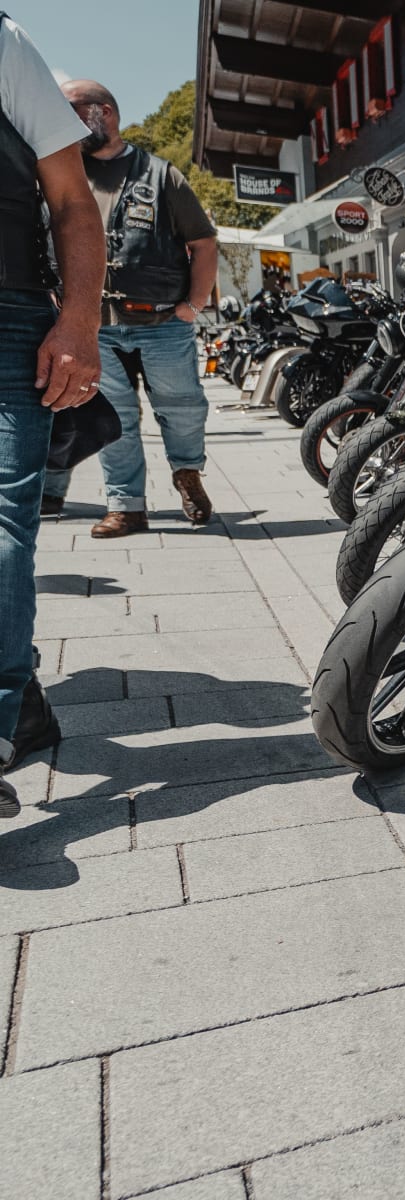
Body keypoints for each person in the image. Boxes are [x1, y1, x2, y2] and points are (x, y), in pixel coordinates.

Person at [0, 14, 104, 815]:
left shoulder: (1, 39)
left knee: (4, 515)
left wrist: (77, 320)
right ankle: (19, 708)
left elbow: (71, 198)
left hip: (8, 312)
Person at [42, 79, 217, 538]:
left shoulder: (162, 175)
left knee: (182, 409)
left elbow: (203, 242)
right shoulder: (65, 174)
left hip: (163, 323)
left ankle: (187, 474)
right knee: (114, 419)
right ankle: (127, 507)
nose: (63, 122)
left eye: (72, 111)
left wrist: (193, 305)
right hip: (96, 325)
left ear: (105, 112)